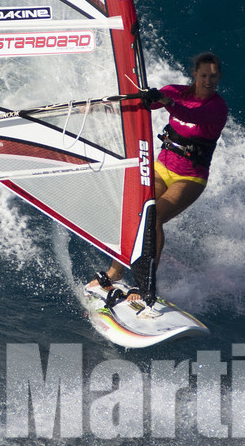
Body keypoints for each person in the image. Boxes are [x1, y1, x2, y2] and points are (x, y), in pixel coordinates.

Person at [89, 52, 228, 302]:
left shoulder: (217, 108)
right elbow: (148, 106)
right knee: (136, 213)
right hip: (161, 168)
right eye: (204, 75)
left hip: (190, 178)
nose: (209, 80)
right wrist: (147, 97)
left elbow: (191, 117)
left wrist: (166, 102)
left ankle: (145, 286)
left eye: (214, 75)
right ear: (194, 75)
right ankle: (115, 272)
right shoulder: (176, 92)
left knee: (154, 219)